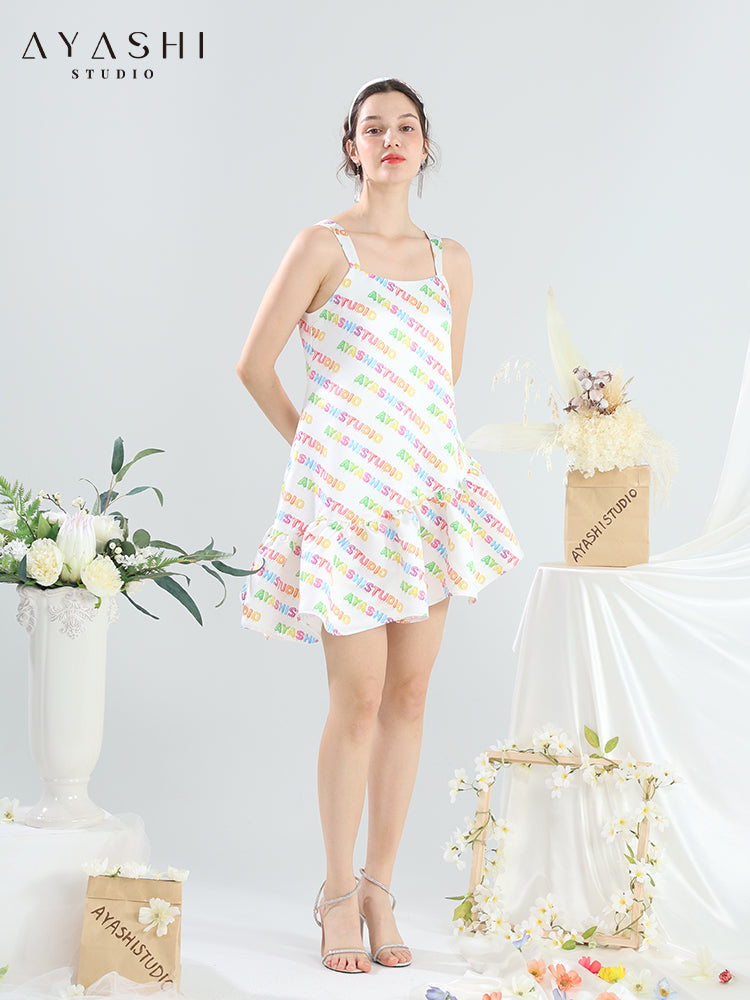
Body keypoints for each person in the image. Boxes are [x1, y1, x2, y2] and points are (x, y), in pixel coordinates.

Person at [236, 77, 522, 974]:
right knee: (356, 698)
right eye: (373, 128)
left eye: (406, 127)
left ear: (425, 145)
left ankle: (380, 886)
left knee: (409, 697)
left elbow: (441, 381)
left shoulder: (451, 260)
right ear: (352, 147)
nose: (390, 139)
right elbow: (253, 365)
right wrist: (317, 450)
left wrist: (410, 453)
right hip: (349, 505)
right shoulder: (322, 246)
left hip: (424, 496)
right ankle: (334, 892)